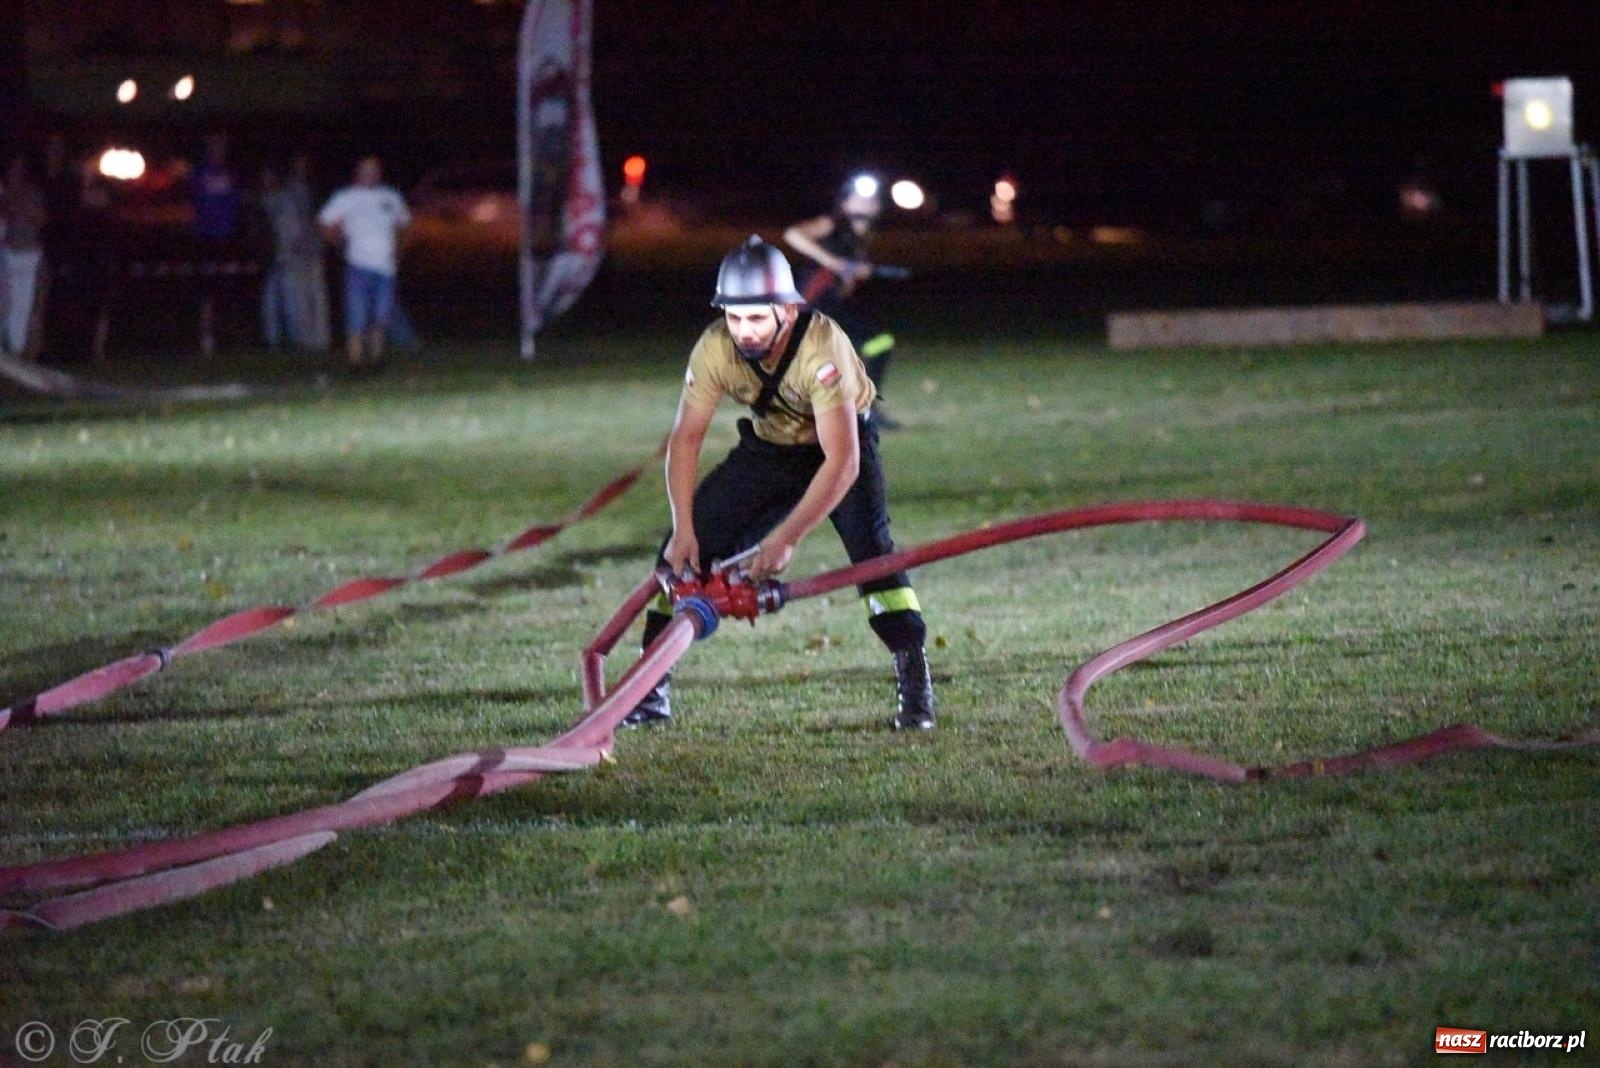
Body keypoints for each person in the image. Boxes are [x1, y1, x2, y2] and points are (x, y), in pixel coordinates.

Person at [623, 236, 935, 732]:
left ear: (787, 311)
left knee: (873, 555)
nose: (744, 332)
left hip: (839, 448)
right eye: (734, 317)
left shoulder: (822, 347)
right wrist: (684, 528)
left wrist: (785, 538)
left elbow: (843, 460)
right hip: (770, 449)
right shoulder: (714, 348)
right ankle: (648, 692)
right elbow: (685, 440)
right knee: (676, 559)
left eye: (757, 318)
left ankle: (915, 685)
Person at [783, 174, 902, 426]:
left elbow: (845, 283)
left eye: (871, 200)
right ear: (845, 202)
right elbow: (793, 235)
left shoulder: (863, 238)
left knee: (879, 343)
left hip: (833, 308)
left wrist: (855, 274)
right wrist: (833, 263)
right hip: (811, 307)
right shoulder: (832, 223)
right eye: (859, 198)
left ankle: (866, 410)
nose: (866, 203)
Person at [317, 155, 410, 371]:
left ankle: (376, 359)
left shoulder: (390, 196)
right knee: (356, 315)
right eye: (366, 169)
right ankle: (355, 361)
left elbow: (403, 224)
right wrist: (338, 241)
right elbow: (324, 222)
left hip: (386, 268)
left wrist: (399, 249)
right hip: (358, 266)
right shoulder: (346, 197)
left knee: (381, 315)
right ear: (357, 172)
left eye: (374, 169)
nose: (370, 173)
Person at [192, 133, 242, 357]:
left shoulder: (231, 173)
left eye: (221, 146)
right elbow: (196, 202)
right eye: (214, 146)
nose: (218, 151)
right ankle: (206, 336)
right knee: (207, 291)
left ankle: (228, 336)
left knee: (229, 287)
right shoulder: (200, 172)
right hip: (206, 238)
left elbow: (236, 201)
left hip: (228, 237)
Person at [2, 154, 47, 358]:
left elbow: (41, 219)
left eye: (20, 169)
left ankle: (17, 352)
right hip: (8, 255)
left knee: (23, 304)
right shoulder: (5, 194)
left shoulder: (31, 193)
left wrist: (25, 213)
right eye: (13, 169)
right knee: (6, 303)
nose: (16, 173)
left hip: (28, 254)